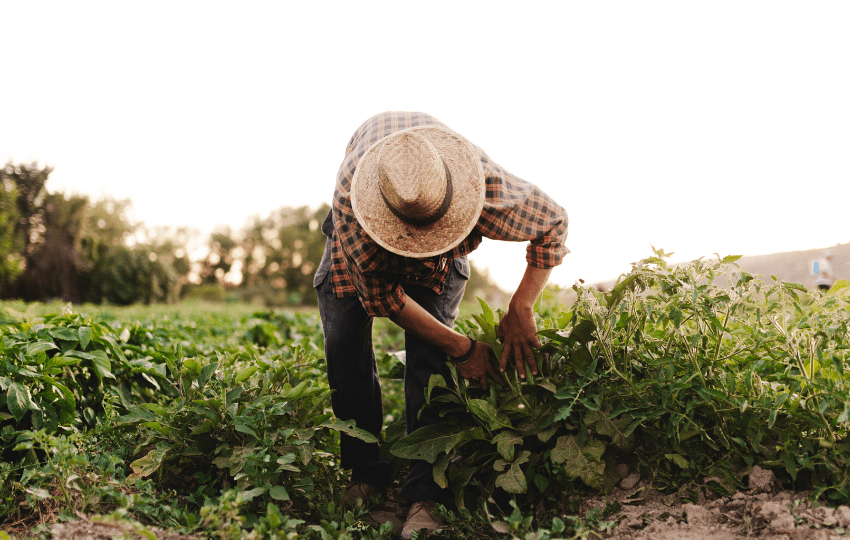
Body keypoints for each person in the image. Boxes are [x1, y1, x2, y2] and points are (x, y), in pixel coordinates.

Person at [313, 111, 568, 538]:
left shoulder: (481, 185)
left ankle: (425, 494)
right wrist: (464, 348)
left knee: (430, 361)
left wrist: (522, 306)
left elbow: (554, 223)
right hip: (360, 252)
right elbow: (386, 300)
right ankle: (365, 470)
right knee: (343, 345)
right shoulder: (354, 212)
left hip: (444, 240)